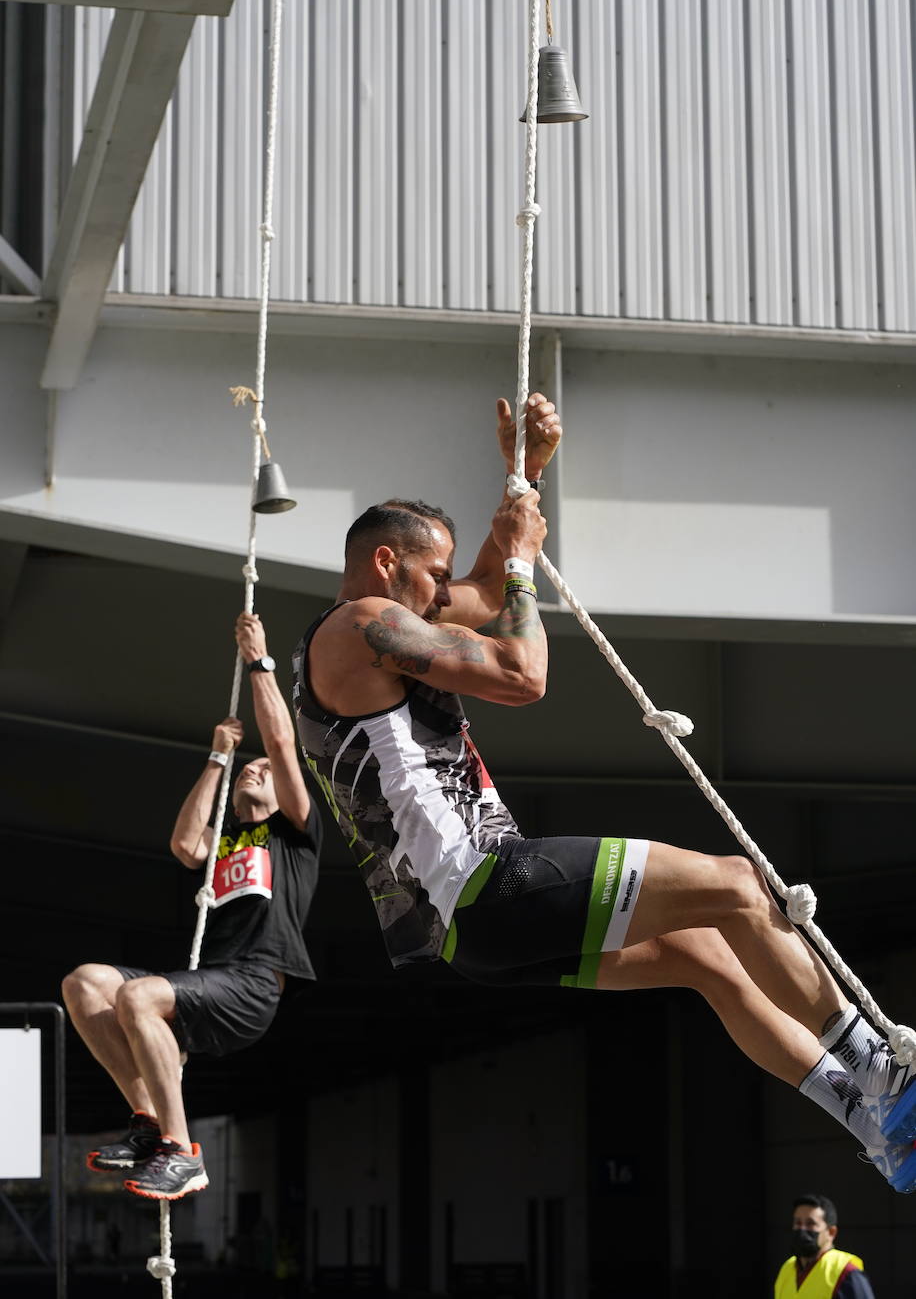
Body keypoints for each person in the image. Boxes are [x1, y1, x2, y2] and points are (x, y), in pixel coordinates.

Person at [292, 392, 916, 1194]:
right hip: (486, 883)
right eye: (431, 574)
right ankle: (883, 1075)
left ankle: (870, 1125)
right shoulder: (360, 624)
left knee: (712, 959)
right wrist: (519, 564)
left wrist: (526, 474)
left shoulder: (380, 624)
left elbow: (483, 588)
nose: (445, 589)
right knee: (736, 884)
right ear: (386, 563)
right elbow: (523, 674)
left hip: (468, 936)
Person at [62, 612, 321, 1202]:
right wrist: (217, 759)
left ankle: (181, 1153)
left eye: (264, 771)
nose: (256, 768)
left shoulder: (295, 838)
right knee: (85, 983)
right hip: (210, 979)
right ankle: (150, 1124)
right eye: (249, 769)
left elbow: (281, 742)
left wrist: (259, 662)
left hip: (253, 987)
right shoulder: (224, 843)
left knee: (137, 995)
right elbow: (184, 844)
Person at [775, 1194, 875, 1297]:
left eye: (810, 1223)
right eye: (798, 1222)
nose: (802, 1229)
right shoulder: (787, 1269)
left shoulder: (845, 1272)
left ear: (831, 1232)